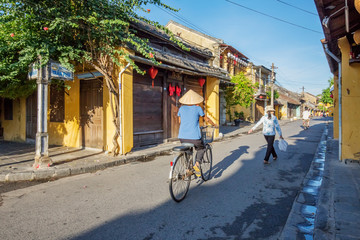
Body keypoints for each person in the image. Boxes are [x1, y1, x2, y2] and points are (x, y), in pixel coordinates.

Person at [178, 89, 216, 176]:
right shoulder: (198, 108)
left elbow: (180, 121)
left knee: (187, 150)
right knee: (201, 148)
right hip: (194, 137)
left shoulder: (181, 108)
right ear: (195, 100)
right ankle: (197, 165)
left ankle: (188, 169)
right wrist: (214, 124)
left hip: (182, 136)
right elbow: (206, 119)